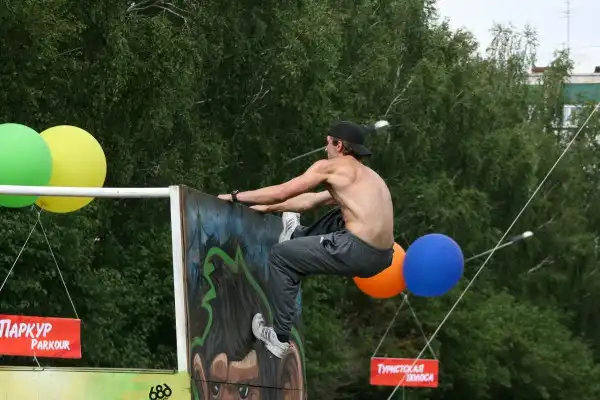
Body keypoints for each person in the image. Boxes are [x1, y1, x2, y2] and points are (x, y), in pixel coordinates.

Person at [217, 121, 395, 358]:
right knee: (340, 215)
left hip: (357, 249)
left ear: (339, 145)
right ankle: (296, 234)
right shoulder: (368, 178)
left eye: (328, 143)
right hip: (383, 257)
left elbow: (283, 191)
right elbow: (310, 201)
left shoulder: (332, 167)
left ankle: (279, 338)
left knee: (281, 257)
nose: (325, 149)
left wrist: (235, 197)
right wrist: (269, 209)